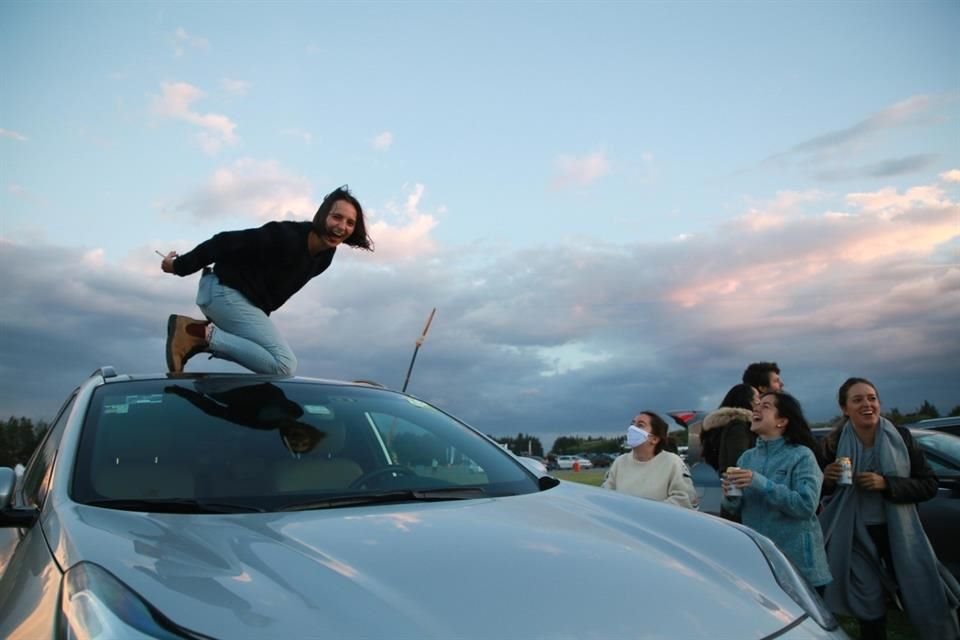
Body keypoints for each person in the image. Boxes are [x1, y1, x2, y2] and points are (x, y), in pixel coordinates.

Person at [160, 185, 373, 374]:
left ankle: (200, 339)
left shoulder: (325, 256)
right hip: (223, 291)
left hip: (240, 302)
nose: (342, 226)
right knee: (284, 364)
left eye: (350, 222)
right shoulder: (286, 235)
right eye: (337, 217)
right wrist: (178, 266)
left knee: (268, 357)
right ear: (322, 214)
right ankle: (196, 334)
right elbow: (223, 242)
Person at [819, 377, 959, 640]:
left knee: (923, 593)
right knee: (869, 605)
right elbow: (820, 492)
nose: (867, 404)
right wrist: (826, 478)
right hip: (855, 534)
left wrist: (887, 484)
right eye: (857, 399)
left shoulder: (901, 437)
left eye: (871, 398)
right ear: (844, 408)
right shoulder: (833, 444)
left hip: (899, 532)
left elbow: (928, 484)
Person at [721, 392, 831, 591]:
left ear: (781, 421)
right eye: (757, 404)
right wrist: (730, 495)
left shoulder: (801, 455)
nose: (756, 408)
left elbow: (806, 506)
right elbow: (735, 508)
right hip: (760, 562)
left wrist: (760, 483)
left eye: (766, 406)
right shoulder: (746, 458)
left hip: (798, 566)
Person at [602, 411, 698, 509]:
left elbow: (684, 500)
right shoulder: (619, 462)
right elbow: (605, 495)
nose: (632, 428)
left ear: (655, 439)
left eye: (640, 425)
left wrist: (645, 511)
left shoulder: (672, 462)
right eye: (632, 424)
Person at [701, 383, 759, 473]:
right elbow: (738, 462)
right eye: (758, 397)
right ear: (749, 401)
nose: (760, 402)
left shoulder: (716, 426)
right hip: (737, 480)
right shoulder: (739, 426)